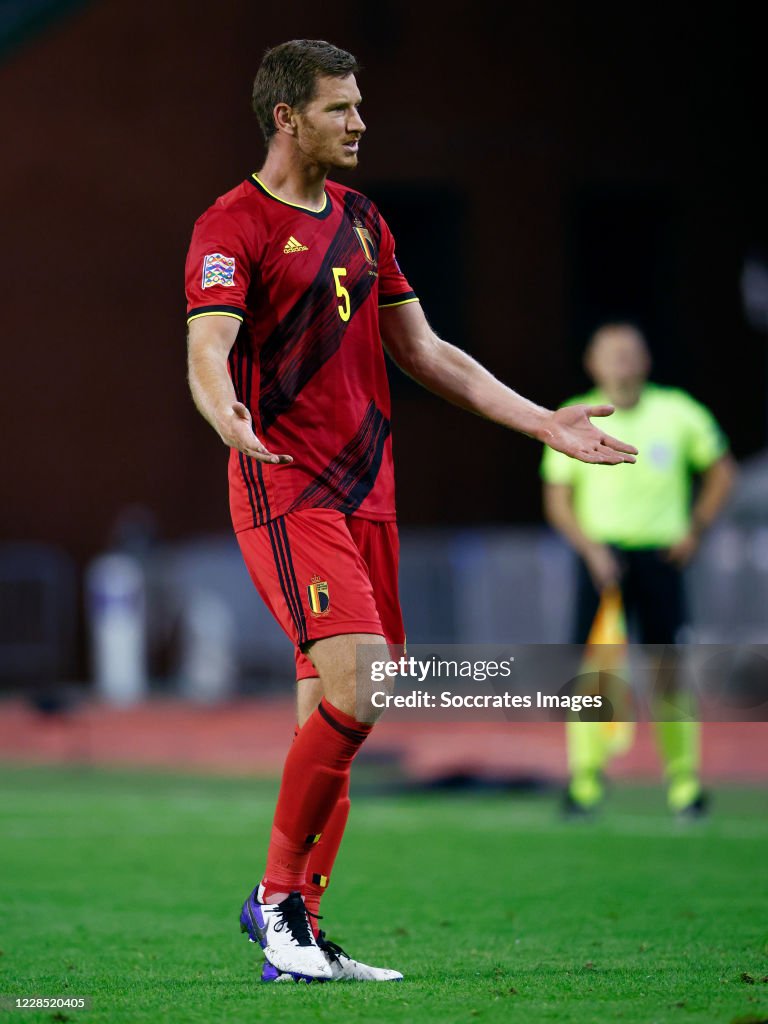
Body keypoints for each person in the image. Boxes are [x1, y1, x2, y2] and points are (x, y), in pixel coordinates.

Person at [185, 39, 637, 984]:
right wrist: (223, 410)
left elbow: (427, 353)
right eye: (341, 108)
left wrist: (543, 425)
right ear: (287, 118)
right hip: (284, 483)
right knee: (364, 681)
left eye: (358, 106)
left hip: (367, 493)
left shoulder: (361, 219)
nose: (359, 123)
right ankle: (272, 902)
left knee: (343, 704)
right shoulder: (232, 225)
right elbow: (209, 346)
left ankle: (300, 930)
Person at [541, 323, 736, 817]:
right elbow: (558, 499)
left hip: (661, 558)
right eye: (612, 353)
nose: (623, 361)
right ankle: (585, 782)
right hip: (601, 560)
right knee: (594, 676)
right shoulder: (574, 415)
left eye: (631, 352)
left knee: (668, 671)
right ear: (593, 362)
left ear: (646, 360)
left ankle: (685, 784)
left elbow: (721, 470)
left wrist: (695, 530)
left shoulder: (678, 412)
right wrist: (590, 550)